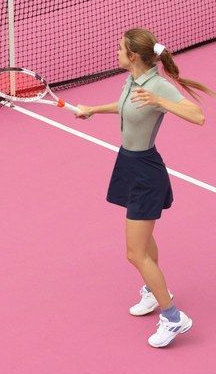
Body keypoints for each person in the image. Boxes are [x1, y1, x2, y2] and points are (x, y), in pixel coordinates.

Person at [74, 29, 210, 347]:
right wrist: (93, 109)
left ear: (133, 56)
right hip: (128, 164)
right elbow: (124, 107)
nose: (116, 52)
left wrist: (160, 100)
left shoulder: (156, 85)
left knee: (134, 254)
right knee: (144, 241)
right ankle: (152, 291)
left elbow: (198, 115)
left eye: (120, 48)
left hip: (147, 173)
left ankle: (174, 318)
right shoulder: (133, 79)